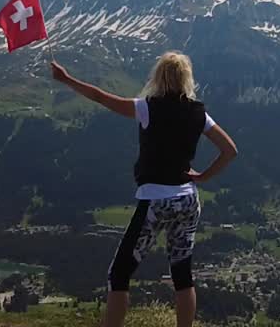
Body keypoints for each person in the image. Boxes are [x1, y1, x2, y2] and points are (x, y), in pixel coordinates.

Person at [51, 51, 238, 327]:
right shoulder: (199, 113)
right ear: (186, 78)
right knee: (182, 274)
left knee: (119, 274)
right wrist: (203, 177)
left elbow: (102, 97)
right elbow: (230, 150)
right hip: (188, 200)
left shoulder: (147, 108)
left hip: (155, 201)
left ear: (159, 76)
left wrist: (67, 80)